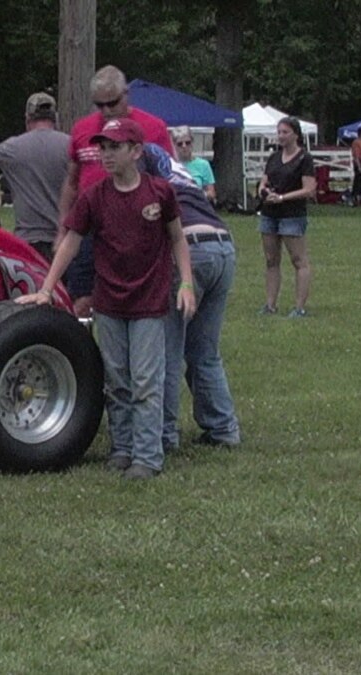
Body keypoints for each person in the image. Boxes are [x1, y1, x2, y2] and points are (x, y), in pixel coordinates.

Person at [18, 118, 195, 480]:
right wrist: (47, 288)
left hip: (149, 301)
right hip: (109, 302)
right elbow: (70, 240)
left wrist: (186, 283)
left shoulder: (160, 193)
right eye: (103, 147)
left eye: (115, 147)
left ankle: (148, 456)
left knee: (146, 380)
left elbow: (177, 238)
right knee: (117, 381)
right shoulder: (95, 197)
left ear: (136, 151)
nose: (106, 154)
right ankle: (122, 448)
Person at [138, 143, 241, 449]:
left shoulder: (146, 172)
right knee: (204, 350)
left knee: (168, 349)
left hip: (190, 250)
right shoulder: (180, 170)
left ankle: (165, 434)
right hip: (223, 246)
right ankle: (223, 428)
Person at [58, 65, 175, 316]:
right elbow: (72, 182)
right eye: (99, 105)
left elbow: (168, 180)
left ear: (126, 94)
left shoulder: (153, 128)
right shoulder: (82, 129)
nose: (107, 111)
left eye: (113, 103)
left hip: (136, 227)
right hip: (90, 228)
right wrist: (62, 230)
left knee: (132, 300)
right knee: (81, 301)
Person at [0, 92, 68, 262]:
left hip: (27, 242)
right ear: (55, 118)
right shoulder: (71, 145)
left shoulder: (11, 148)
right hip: (64, 241)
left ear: (27, 119)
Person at [256, 116, 315, 318]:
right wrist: (265, 193)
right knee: (271, 260)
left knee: (299, 260)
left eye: (285, 132)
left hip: (292, 215)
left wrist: (283, 198)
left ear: (295, 134)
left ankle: (299, 307)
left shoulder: (304, 159)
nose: (280, 136)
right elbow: (262, 183)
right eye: (279, 132)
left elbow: (309, 189)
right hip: (270, 214)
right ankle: (270, 305)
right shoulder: (274, 157)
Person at [172, 127, 216, 204]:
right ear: (174, 145)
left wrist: (198, 194)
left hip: (198, 206)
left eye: (187, 142)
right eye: (180, 144)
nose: (184, 146)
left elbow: (212, 193)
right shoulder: (170, 165)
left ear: (192, 143)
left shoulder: (203, 165)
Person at [350, 124, 361, 207]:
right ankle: (355, 198)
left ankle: (359, 197)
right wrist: (359, 166)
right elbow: (356, 155)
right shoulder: (356, 142)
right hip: (360, 162)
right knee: (359, 181)